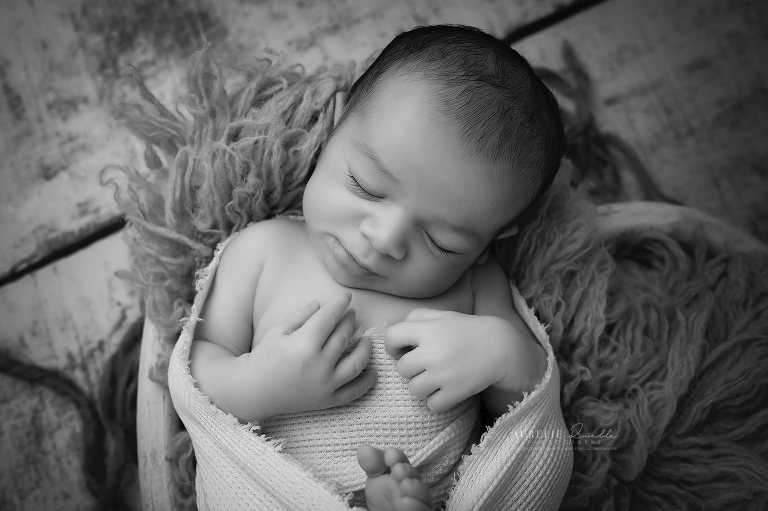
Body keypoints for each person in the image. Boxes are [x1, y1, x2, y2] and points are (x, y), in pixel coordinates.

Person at [186, 24, 567, 510]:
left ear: (490, 243)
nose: (384, 240)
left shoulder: (477, 286)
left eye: (440, 240)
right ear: (336, 128)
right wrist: (260, 385)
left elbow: (530, 410)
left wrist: (503, 355)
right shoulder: (262, 250)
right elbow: (198, 372)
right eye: (365, 185)